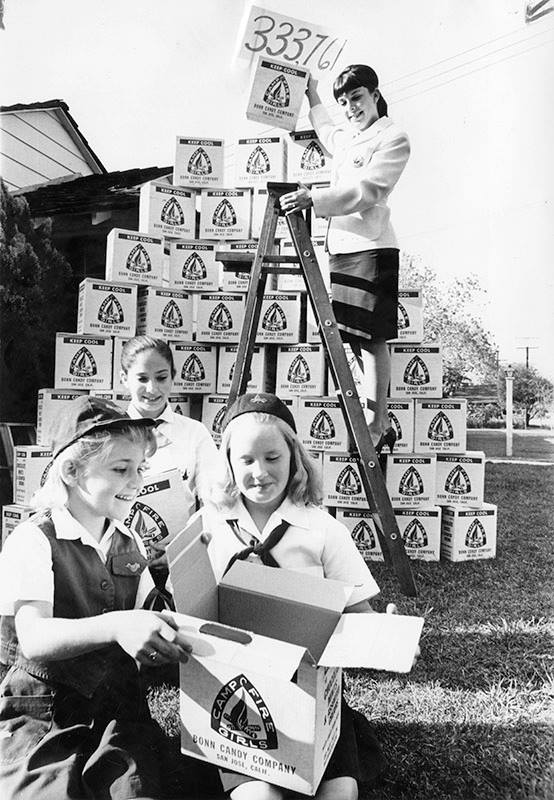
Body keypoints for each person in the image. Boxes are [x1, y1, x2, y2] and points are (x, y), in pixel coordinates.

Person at [0, 396, 197, 800]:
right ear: (72, 471)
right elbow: (34, 638)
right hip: (43, 711)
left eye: (141, 469)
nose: (137, 481)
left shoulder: (129, 539)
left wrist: (171, 623)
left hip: (115, 711)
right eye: (121, 469)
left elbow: (145, 619)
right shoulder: (34, 540)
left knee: (134, 790)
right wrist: (115, 626)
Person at [201, 392, 387, 800]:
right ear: (228, 463)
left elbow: (358, 610)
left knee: (339, 792)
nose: (260, 472)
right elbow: (192, 607)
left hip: (312, 689)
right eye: (246, 460)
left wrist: (388, 638)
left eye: (272, 457)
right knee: (260, 796)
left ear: (294, 458)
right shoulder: (209, 527)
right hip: (240, 689)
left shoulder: (322, 529)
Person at [280, 64, 411, 453]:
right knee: (352, 335)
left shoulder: (393, 137)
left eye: (356, 97)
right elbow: (327, 131)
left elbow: (369, 189)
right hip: (341, 249)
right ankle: (375, 418)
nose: (351, 107)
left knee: (372, 338)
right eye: (344, 102)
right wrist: (312, 95)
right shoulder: (351, 137)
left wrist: (314, 199)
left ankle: (377, 422)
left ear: (374, 94)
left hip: (372, 247)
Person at [121, 335, 218, 518]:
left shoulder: (194, 432)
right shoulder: (111, 433)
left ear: (173, 376)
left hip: (179, 543)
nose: (152, 388)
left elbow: (215, 496)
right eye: (142, 379)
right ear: (124, 379)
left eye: (161, 378)